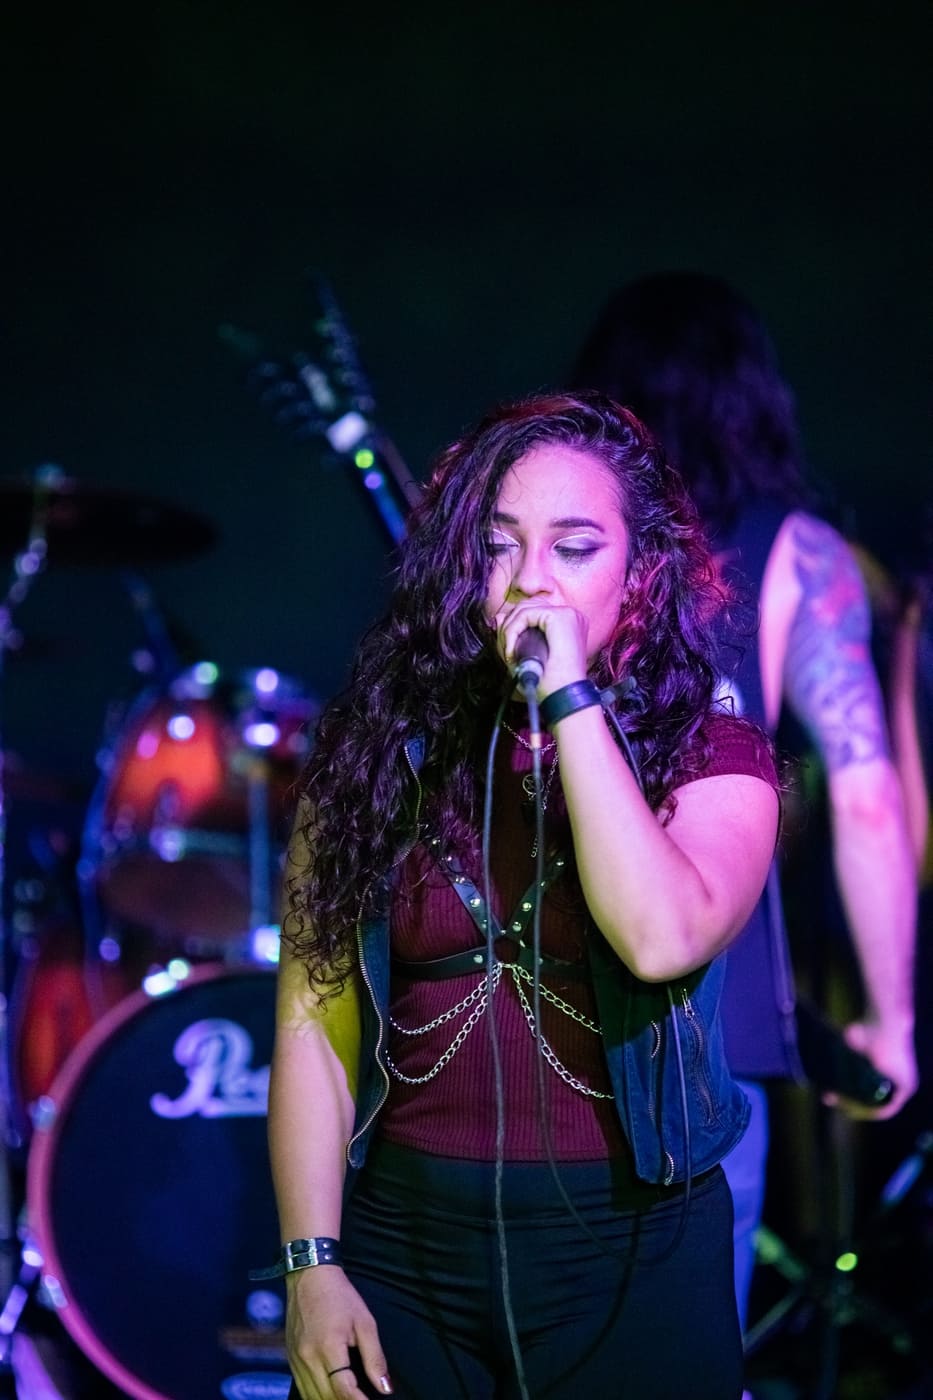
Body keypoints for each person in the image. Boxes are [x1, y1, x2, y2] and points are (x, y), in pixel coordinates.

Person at [264, 391, 781, 1400]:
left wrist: (570, 696)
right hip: (404, 1251)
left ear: (641, 573)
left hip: (630, 1254)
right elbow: (310, 1017)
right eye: (498, 546)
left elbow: (661, 934)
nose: (530, 579)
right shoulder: (376, 757)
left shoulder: (712, 756)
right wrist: (310, 1264)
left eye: (574, 548)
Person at [570, 272, 919, 1336]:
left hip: (548, 1003)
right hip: (710, 1026)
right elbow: (866, 799)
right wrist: (891, 1020)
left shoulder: (562, 539)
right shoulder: (795, 554)